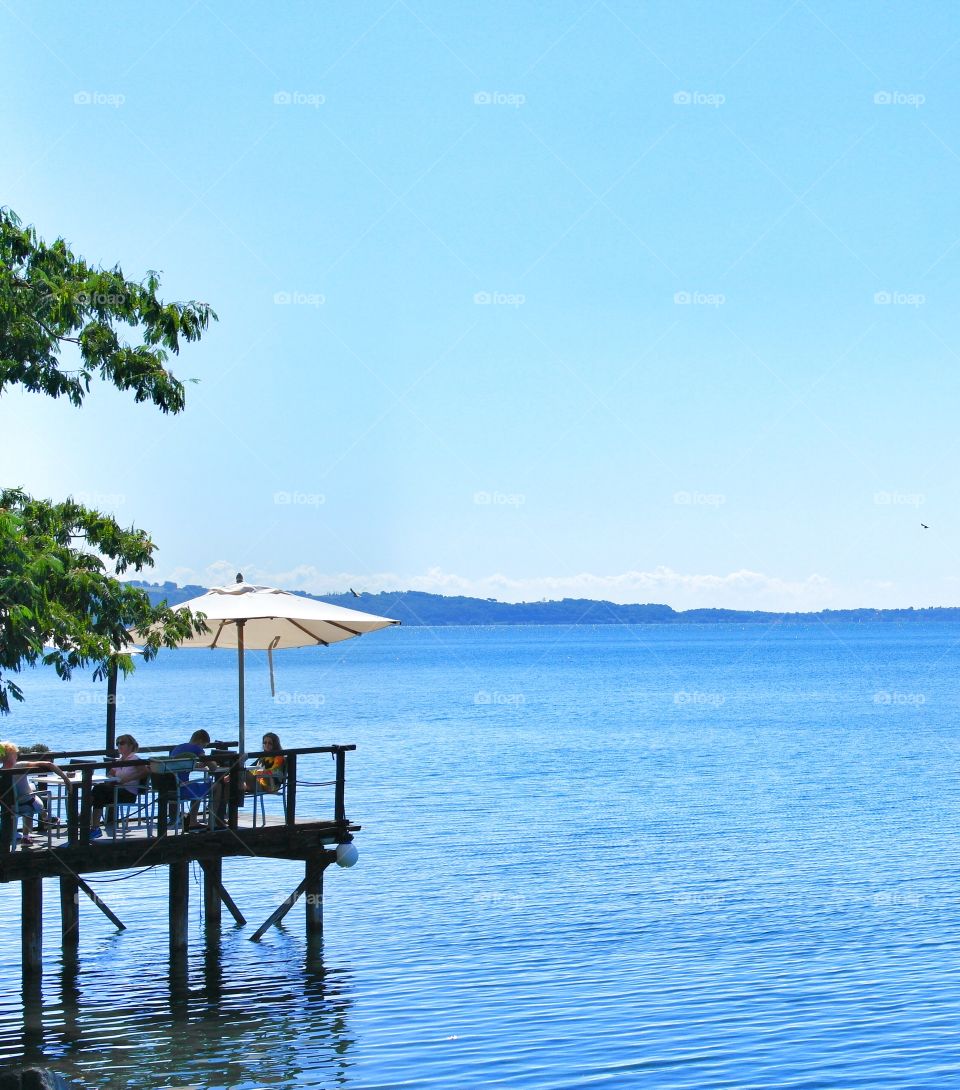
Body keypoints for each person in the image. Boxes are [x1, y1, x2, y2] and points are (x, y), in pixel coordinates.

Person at [1, 741, 71, 848]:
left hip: (8, 807)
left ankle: (43, 820)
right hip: (27, 804)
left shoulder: (1, 772)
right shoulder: (19, 766)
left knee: (31, 790)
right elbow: (49, 764)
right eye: (16, 754)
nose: (17, 756)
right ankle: (42, 820)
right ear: (12, 755)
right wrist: (65, 778)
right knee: (32, 798)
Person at [88, 734, 146, 840]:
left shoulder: (135, 759)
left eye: (122, 743)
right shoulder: (120, 760)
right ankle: (93, 826)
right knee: (97, 792)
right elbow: (110, 773)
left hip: (128, 793)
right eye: (117, 743)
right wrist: (113, 780)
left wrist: (126, 780)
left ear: (131, 745)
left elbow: (145, 771)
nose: (119, 745)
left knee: (97, 791)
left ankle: (86, 822)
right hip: (117, 790)